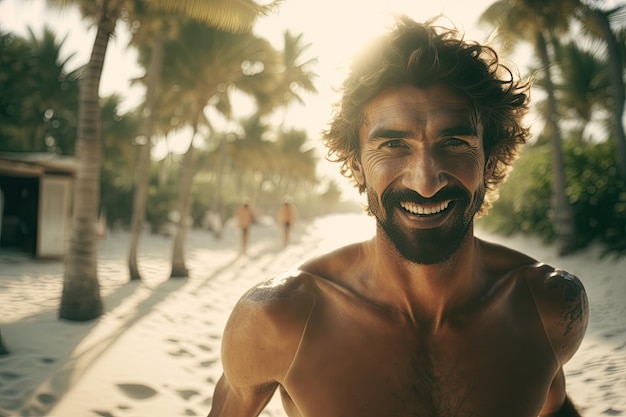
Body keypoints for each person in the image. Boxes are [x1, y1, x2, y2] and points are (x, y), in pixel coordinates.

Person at [207, 16, 588, 417]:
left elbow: (554, 403)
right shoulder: (279, 319)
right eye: (393, 144)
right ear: (356, 166)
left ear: (489, 162)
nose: (425, 182)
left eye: (455, 142)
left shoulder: (548, 305)